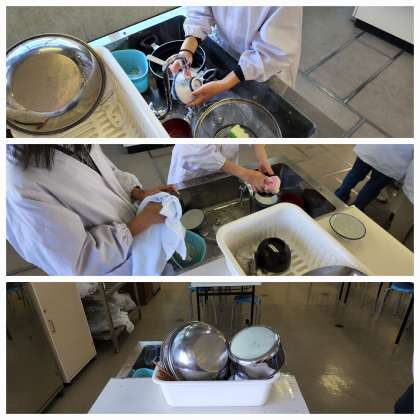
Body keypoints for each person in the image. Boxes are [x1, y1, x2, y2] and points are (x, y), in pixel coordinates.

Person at [6, 145, 177, 276]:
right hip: (119, 264)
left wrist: (137, 192)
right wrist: (136, 225)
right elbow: (78, 262)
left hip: (142, 239)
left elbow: (103, 167)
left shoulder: (70, 140)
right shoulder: (19, 183)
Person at [170, 6, 302, 106]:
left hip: (267, 66)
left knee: (265, 110)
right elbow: (200, 9)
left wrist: (224, 83)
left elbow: (273, 51)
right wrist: (187, 50)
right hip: (227, 47)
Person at [334, 145, 414, 211]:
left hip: (372, 149)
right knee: (373, 187)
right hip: (395, 160)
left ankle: (340, 195)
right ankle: (356, 208)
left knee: (355, 174)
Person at [167, 145, 274, 192]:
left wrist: (261, 156)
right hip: (194, 171)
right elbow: (198, 152)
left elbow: (242, 129)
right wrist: (247, 175)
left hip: (226, 166)